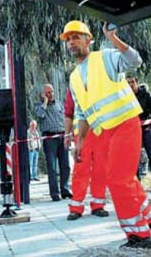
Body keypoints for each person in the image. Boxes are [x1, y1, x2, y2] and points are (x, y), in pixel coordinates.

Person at [61, 20, 151, 249]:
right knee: (125, 178)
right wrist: (79, 141)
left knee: (117, 179)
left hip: (125, 124)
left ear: (88, 40)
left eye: (76, 37)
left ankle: (139, 235)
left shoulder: (105, 57)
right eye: (68, 39)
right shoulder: (74, 77)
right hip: (102, 132)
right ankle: (148, 218)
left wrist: (113, 38)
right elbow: (82, 113)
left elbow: (135, 61)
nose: (72, 42)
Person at [63, 87, 110, 221]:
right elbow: (69, 112)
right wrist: (67, 134)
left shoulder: (101, 80)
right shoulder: (75, 84)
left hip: (101, 131)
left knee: (100, 169)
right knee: (81, 170)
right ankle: (76, 207)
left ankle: (98, 205)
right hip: (82, 135)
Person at [35, 83, 72, 201]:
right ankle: (54, 193)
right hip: (49, 138)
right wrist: (45, 102)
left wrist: (68, 134)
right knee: (52, 167)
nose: (50, 94)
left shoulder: (59, 104)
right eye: (47, 93)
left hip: (62, 136)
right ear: (43, 94)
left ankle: (65, 190)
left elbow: (65, 118)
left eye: (51, 92)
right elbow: (40, 115)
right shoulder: (39, 106)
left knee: (65, 166)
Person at [126, 75, 151, 177]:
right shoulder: (125, 97)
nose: (130, 85)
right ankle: (136, 180)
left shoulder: (146, 94)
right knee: (133, 156)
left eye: (132, 82)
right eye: (128, 83)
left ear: (137, 82)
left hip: (146, 129)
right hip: (132, 130)